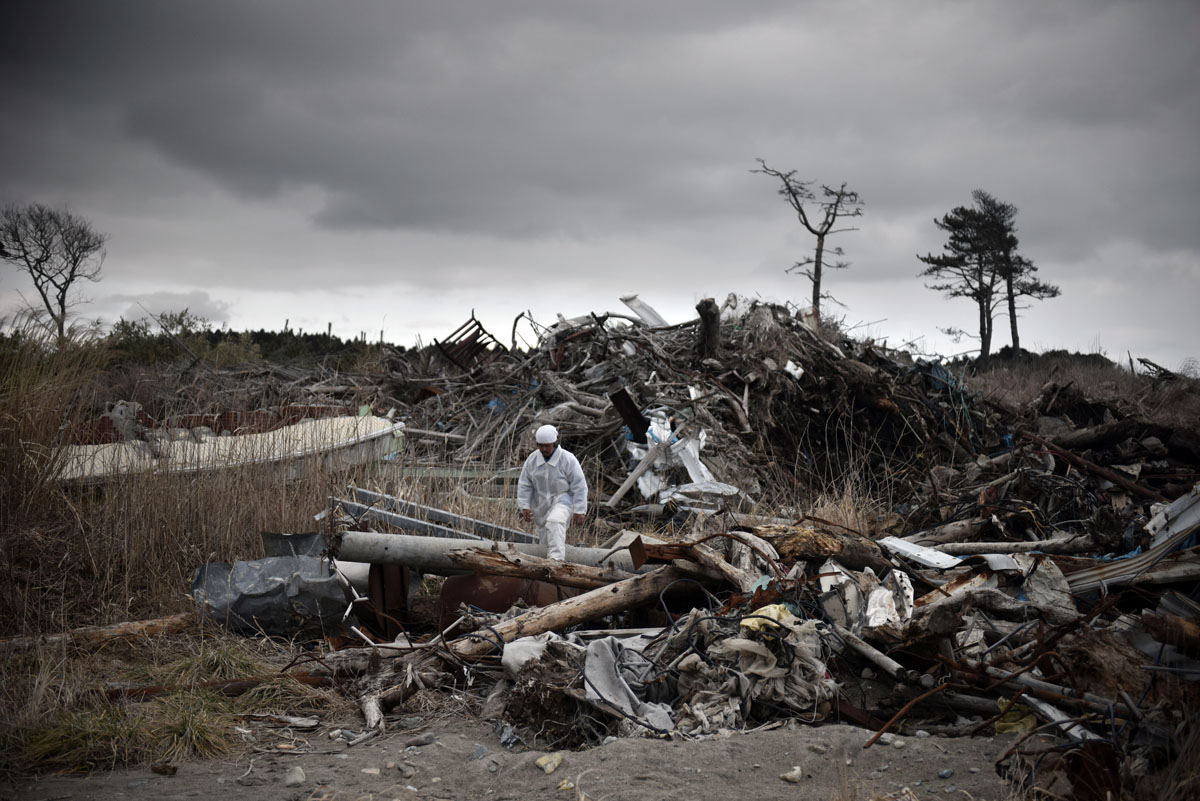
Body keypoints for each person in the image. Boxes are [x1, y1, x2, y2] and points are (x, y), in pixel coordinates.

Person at [517, 424, 588, 561]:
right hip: (541, 503)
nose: (544, 449)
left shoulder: (568, 459)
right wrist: (524, 506)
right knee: (545, 540)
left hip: (563, 500)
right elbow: (525, 484)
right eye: (540, 445)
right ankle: (544, 568)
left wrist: (580, 509)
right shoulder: (532, 460)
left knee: (555, 521)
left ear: (555, 443)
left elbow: (579, 485)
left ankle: (556, 562)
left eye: (547, 446)